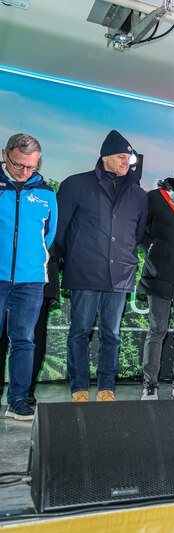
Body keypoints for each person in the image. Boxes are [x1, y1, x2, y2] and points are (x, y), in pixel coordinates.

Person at [56, 130, 147, 403]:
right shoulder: (75, 184)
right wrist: (72, 258)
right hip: (84, 271)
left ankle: (107, 388)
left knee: (112, 334)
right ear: (105, 157)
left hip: (120, 274)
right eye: (121, 157)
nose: (126, 162)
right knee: (79, 332)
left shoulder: (138, 194)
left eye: (129, 158)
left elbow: (137, 234)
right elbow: (60, 229)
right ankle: (79, 388)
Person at [0, 134, 56, 420]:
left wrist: (32, 262)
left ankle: (18, 401)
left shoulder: (46, 194)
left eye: (31, 167)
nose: (24, 172)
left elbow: (50, 234)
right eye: (19, 165)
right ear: (5, 155)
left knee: (24, 340)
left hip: (31, 280)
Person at [138, 157, 174, 402]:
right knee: (157, 330)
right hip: (159, 275)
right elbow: (139, 229)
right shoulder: (156, 197)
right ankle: (149, 385)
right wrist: (152, 248)